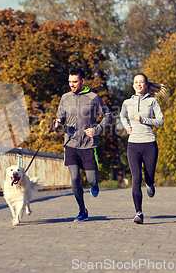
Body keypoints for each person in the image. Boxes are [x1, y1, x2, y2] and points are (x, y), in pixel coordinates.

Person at [53, 68, 113, 222]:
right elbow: (60, 119)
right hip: (70, 143)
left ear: (82, 81)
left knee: (91, 180)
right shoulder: (65, 98)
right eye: (69, 82)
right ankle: (82, 210)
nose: (71, 85)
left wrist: (97, 129)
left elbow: (108, 115)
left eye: (74, 82)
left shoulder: (94, 97)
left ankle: (94, 184)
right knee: (74, 179)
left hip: (88, 144)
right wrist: (58, 124)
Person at [120, 73, 166, 224]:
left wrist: (143, 119)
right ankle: (138, 213)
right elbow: (122, 116)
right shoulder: (127, 102)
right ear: (133, 85)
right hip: (133, 144)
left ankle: (150, 183)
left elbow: (160, 121)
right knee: (136, 178)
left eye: (142, 82)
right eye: (136, 82)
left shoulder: (152, 102)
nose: (139, 84)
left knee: (149, 175)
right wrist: (127, 126)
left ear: (146, 85)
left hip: (149, 143)